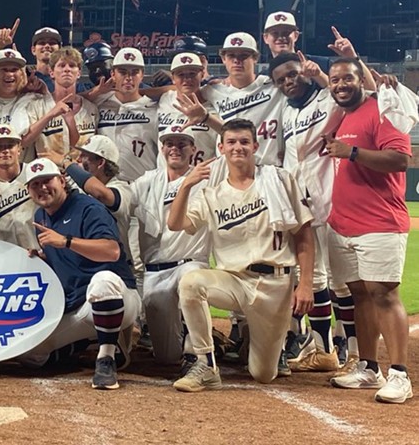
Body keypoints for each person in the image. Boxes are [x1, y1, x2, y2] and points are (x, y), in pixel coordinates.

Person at [167, 119, 315, 391]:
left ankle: (258, 336)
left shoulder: (279, 180)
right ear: (221, 147)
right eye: (231, 142)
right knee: (191, 283)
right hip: (235, 281)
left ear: (255, 146)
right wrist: (186, 185)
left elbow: (304, 234)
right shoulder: (212, 193)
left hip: (276, 286)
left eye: (244, 142)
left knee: (263, 373)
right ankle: (207, 364)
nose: (238, 147)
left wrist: (305, 284)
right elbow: (176, 224)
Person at [76, 126, 211, 369]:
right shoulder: (146, 181)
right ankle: (196, 339)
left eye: (182, 143)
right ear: (162, 148)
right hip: (155, 271)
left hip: (190, 263)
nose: (175, 148)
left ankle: (197, 352)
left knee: (193, 283)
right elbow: (116, 199)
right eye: (170, 143)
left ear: (193, 149)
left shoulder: (206, 178)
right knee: (166, 358)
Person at [324, 58, 413, 403]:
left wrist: (353, 152)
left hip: (379, 222)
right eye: (335, 79)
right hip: (342, 222)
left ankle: (401, 375)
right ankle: (369, 368)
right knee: (358, 295)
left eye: (348, 77)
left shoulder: (382, 110)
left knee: (384, 295)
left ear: (362, 79)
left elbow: (400, 160)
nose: (341, 84)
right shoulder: (340, 115)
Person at [18, 158, 140, 391]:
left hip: (118, 297)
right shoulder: (40, 217)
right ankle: (93, 342)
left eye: (47, 181)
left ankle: (106, 358)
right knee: (30, 353)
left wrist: (65, 242)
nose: (42, 188)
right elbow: (68, 256)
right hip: (79, 305)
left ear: (62, 181)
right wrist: (45, 257)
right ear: (28, 191)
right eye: (35, 184)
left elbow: (112, 251)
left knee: (103, 281)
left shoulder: (88, 207)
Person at [270, 51, 347, 372]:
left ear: (304, 70)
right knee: (314, 279)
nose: (288, 81)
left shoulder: (327, 98)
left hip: (329, 200)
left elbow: (351, 97)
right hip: (299, 207)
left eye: (293, 74)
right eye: (281, 79)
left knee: (339, 282)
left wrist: (321, 76)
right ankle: (326, 348)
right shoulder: (287, 113)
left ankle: (341, 348)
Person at [205, 33, 284, 166]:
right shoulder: (212, 91)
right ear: (223, 59)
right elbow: (183, 88)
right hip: (227, 169)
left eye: (243, 56)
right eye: (231, 56)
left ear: (255, 58)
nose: (237, 60)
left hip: (267, 168)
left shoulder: (274, 85)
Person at [95, 48, 158, 182]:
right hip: (106, 187)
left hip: (142, 186)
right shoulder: (100, 104)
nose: (128, 78)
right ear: (113, 74)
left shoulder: (153, 108)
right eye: (122, 72)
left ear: (142, 75)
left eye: (134, 72)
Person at [0, 125, 38, 250]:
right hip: (7, 259)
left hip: (41, 252)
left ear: (19, 149)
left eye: (10, 145)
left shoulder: (35, 175)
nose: (5, 150)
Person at [157, 52, 217, 167]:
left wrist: (206, 118)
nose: (187, 79)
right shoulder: (164, 99)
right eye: (181, 75)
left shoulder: (214, 106)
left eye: (192, 74)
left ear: (202, 74)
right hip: (164, 180)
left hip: (202, 179)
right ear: (173, 78)